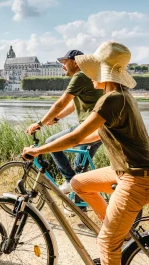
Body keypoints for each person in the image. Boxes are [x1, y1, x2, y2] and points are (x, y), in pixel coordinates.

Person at [22, 41, 149, 265]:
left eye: (92, 70)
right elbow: (88, 135)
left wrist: (39, 151)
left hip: (136, 177)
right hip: (127, 171)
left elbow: (75, 138)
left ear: (103, 72)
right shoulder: (119, 95)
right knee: (78, 183)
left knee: (108, 244)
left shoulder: (110, 99)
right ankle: (109, 225)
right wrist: (52, 144)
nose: (89, 75)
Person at [26, 49, 103, 194]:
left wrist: (39, 123)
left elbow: (60, 104)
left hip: (88, 127)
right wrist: (56, 118)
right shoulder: (89, 75)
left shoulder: (80, 76)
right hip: (99, 128)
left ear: (75, 62)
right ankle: (81, 208)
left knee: (51, 143)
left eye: (64, 62)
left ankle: (68, 181)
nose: (62, 66)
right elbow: (74, 104)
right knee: (80, 172)